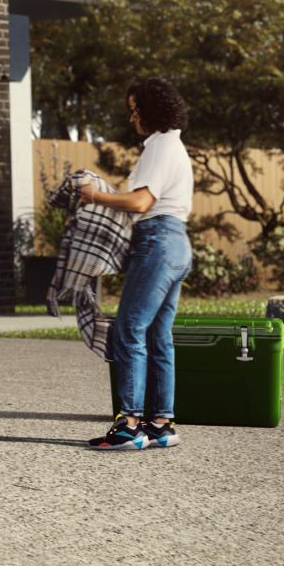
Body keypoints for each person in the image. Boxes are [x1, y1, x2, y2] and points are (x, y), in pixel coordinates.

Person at [79, 77, 195, 451]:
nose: (132, 119)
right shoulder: (175, 147)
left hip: (158, 243)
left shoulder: (160, 146)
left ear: (151, 111)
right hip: (177, 244)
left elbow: (143, 202)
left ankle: (129, 426)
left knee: (129, 328)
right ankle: (161, 425)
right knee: (159, 336)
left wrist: (95, 196)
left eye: (135, 111)